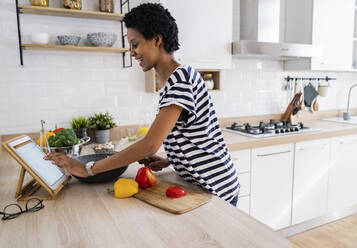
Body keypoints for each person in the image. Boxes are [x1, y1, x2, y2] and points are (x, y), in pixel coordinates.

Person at [44, 3, 240, 206]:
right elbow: (192, 136)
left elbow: (150, 144)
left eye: (135, 44)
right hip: (202, 184)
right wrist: (172, 161)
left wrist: (88, 168)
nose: (132, 52)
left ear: (156, 39)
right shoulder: (173, 80)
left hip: (217, 187)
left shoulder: (181, 78)